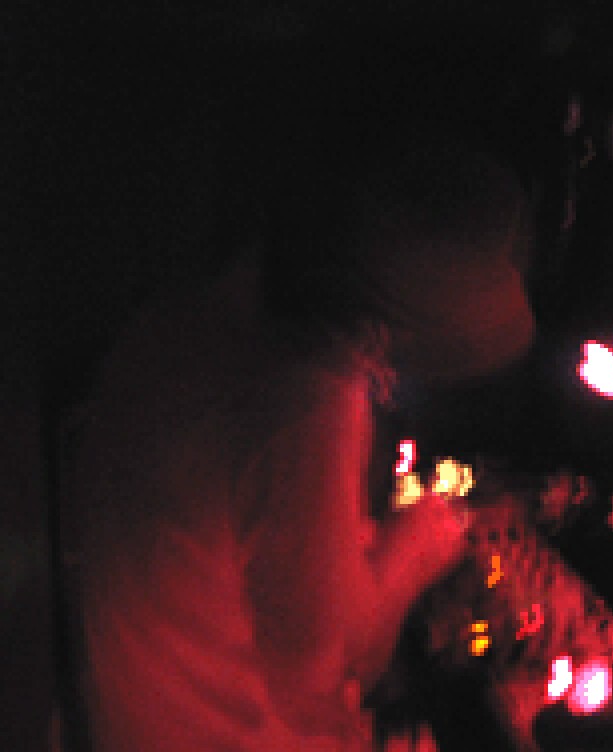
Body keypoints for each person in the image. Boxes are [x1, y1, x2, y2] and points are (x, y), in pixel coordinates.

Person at [65, 126, 538, 752]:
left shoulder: (207, 307)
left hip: (141, 710)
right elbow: (326, 674)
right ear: (383, 320)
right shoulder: (302, 396)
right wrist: (421, 542)